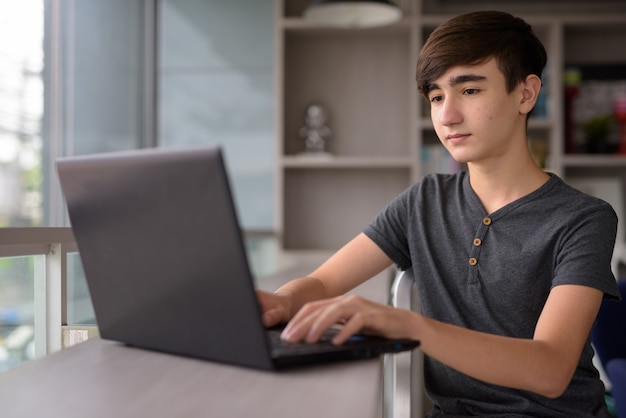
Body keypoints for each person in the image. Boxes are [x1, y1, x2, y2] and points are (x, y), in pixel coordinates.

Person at [257, 10, 621, 417]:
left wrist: (408, 326)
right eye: (436, 96)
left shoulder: (584, 217)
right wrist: (279, 301)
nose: (446, 116)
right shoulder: (424, 201)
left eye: (469, 91)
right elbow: (325, 280)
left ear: (525, 94)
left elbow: (550, 368)